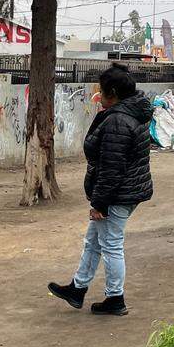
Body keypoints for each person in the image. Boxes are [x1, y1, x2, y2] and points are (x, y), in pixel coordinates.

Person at [48, 64, 152, 316]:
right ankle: (78, 288)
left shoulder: (118, 120)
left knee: (111, 244)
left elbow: (111, 169)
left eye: (101, 90)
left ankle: (115, 298)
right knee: (93, 241)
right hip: (122, 191)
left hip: (116, 195)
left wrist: (100, 204)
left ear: (113, 92)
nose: (98, 94)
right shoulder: (127, 112)